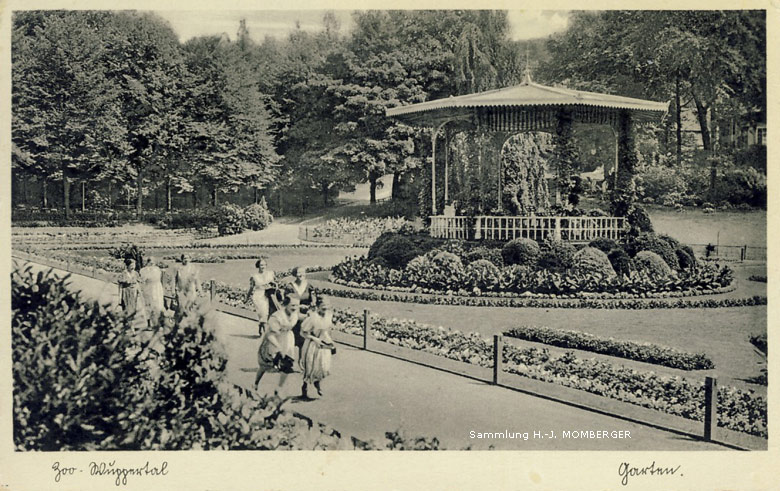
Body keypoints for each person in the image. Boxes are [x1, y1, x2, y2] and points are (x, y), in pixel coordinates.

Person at [255, 295, 300, 390]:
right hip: (275, 339)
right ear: (286, 304)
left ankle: (279, 388)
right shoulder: (277, 316)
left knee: (287, 365)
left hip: (287, 339)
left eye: (297, 305)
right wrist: (278, 347)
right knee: (265, 365)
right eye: (292, 305)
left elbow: (299, 318)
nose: (295, 308)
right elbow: (270, 334)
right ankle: (255, 383)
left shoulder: (294, 314)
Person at [299, 295, 336, 399]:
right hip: (312, 345)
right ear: (318, 307)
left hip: (324, 345)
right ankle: (304, 388)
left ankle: (317, 383)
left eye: (327, 308)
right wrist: (314, 339)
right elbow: (303, 333)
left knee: (323, 367)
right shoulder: (312, 318)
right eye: (323, 308)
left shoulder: (329, 315)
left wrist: (331, 342)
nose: (325, 311)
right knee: (310, 367)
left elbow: (328, 330)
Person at [285, 266, 316, 349]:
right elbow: (287, 302)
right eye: (299, 272)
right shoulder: (290, 287)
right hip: (294, 315)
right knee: (291, 341)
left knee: (305, 341)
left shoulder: (309, 286)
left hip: (306, 315)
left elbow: (313, 297)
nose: (301, 274)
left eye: (303, 272)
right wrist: (299, 306)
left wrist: (313, 302)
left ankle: (301, 359)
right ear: (295, 274)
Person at [246, 258, 276, 336]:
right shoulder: (254, 276)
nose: (263, 267)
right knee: (263, 312)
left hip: (269, 295)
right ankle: (266, 333)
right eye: (261, 265)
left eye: (264, 265)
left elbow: (275, 284)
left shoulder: (270, 273)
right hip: (258, 296)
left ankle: (261, 325)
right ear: (258, 266)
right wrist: (247, 297)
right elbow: (251, 288)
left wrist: (274, 286)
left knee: (268, 313)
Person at [139, 256, 165, 324]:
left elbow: (160, 279)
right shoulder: (143, 270)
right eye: (150, 263)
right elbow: (143, 279)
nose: (152, 265)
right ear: (147, 263)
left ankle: (158, 322)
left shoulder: (157, 269)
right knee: (148, 305)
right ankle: (149, 323)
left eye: (153, 263)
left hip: (157, 288)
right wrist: (148, 271)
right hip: (148, 288)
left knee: (158, 305)